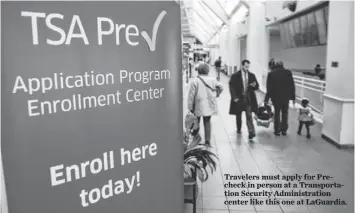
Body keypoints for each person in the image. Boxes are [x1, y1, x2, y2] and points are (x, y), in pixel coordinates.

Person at [188, 63, 223, 146]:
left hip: (198, 104)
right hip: (209, 104)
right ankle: (207, 140)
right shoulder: (213, 80)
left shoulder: (195, 80)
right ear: (207, 70)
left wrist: (190, 106)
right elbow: (221, 87)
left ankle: (196, 137)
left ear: (199, 70)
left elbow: (191, 95)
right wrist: (216, 94)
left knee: (196, 121)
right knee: (207, 121)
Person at [229, 60, 259, 140]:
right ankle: (239, 128)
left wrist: (254, 85)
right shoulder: (235, 75)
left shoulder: (252, 75)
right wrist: (234, 97)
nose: (247, 68)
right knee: (238, 115)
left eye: (248, 66)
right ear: (242, 66)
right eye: (246, 66)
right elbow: (231, 86)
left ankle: (251, 132)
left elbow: (257, 86)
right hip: (239, 99)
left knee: (249, 116)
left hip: (248, 99)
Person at [264, 60, 295, 136]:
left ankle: (277, 130)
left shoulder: (271, 73)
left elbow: (269, 88)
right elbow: (292, 85)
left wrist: (266, 99)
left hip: (276, 97)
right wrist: (293, 97)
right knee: (285, 113)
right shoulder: (288, 72)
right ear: (282, 65)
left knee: (277, 113)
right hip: (286, 97)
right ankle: (284, 130)